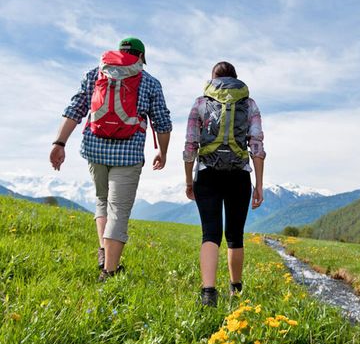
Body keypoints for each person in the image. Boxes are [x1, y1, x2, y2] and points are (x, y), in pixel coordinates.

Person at [49, 37, 172, 281]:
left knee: (102, 200)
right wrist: (163, 151)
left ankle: (105, 254)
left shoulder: (96, 74)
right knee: (119, 210)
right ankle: (109, 272)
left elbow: (75, 108)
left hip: (94, 149)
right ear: (141, 57)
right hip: (128, 154)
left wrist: (59, 142)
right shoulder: (149, 82)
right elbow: (163, 122)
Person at [183, 61, 266, 306]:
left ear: (213, 79)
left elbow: (190, 146)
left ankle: (208, 293)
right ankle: (236, 291)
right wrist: (259, 185)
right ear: (236, 78)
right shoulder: (249, 104)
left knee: (210, 232)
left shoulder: (200, 102)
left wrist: (189, 180)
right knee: (235, 235)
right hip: (239, 175)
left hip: (207, 174)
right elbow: (257, 147)